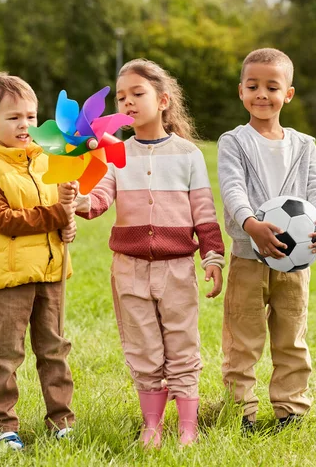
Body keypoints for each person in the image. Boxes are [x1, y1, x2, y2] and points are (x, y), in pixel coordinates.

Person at [69, 58, 225, 447]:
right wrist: (78, 199)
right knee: (142, 347)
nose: (128, 102)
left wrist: (213, 257)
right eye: (121, 97)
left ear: (164, 100)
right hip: (129, 269)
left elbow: (204, 212)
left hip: (177, 269)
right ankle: (152, 425)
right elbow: (100, 200)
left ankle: (187, 427)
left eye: (138, 93)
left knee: (182, 344)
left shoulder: (188, 154)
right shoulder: (115, 154)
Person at [217, 48, 316, 432]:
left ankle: (290, 410)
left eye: (272, 87)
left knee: (291, 338)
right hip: (248, 259)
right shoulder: (234, 141)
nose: (262, 94)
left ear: (288, 94)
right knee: (243, 338)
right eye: (253, 86)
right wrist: (251, 223)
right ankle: (242, 413)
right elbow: (232, 188)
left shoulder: (304, 144)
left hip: (294, 262)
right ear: (241, 91)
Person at [0, 73, 77, 450]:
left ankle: (61, 419)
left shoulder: (48, 160)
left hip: (50, 272)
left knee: (55, 349)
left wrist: (69, 219)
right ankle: (3, 424)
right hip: (10, 277)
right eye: (13, 118)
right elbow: (2, 220)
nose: (25, 124)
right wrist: (57, 215)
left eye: (30, 116)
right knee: (7, 352)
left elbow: (60, 209)